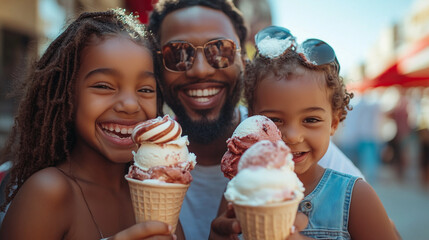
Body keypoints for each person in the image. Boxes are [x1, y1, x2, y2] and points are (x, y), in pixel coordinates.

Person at [148, 1, 363, 239]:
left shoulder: (297, 148)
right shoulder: (140, 158)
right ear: (157, 67)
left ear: (244, 62)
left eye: (220, 50)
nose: (201, 70)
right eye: (177, 53)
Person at [0, 9, 178, 240]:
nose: (130, 105)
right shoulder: (49, 191)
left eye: (145, 89)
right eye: (103, 86)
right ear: (66, 96)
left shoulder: (152, 188)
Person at [236, 25, 399, 239]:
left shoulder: (355, 197)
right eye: (274, 120)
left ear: (334, 122)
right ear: (253, 119)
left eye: (311, 119)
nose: (293, 135)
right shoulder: (239, 190)